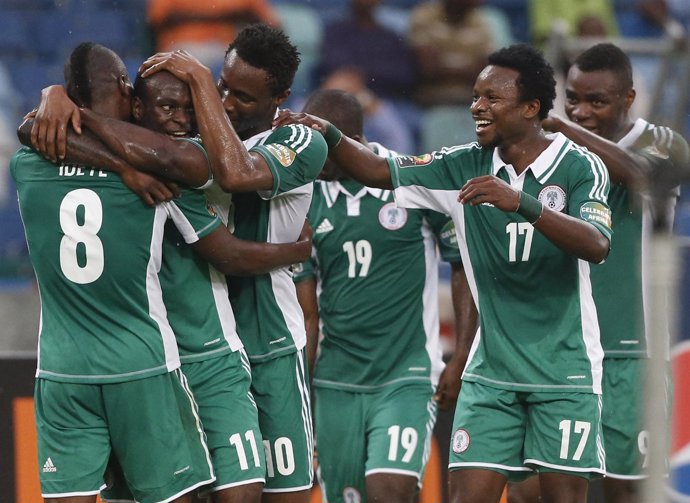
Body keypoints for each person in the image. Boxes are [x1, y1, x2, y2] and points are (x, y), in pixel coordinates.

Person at [274, 43, 613, 503]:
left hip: (565, 370)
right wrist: (328, 134)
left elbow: (596, 244)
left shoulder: (578, 165)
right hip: (490, 373)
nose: (477, 107)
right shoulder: (463, 163)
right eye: (476, 96)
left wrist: (523, 204)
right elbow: (378, 169)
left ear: (531, 107)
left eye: (492, 98)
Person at [31, 25, 327, 502]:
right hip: (169, 357)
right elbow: (39, 132)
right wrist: (54, 97)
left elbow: (234, 174)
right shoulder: (159, 157)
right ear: (137, 106)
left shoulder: (294, 140)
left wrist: (199, 84)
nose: (227, 104)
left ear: (281, 97)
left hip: (261, 342)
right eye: (223, 87)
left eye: (243, 98)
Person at [11, 42, 221, 503]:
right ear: (126, 88)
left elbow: (31, 130)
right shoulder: (160, 166)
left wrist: (51, 96)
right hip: (141, 363)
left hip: (62, 371)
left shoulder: (26, 165)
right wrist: (127, 168)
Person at [291, 88, 477, 503]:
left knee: (388, 490)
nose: (312, 161)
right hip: (335, 379)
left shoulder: (408, 180)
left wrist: (461, 356)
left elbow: (462, 264)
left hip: (405, 375)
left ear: (352, 142)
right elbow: (306, 311)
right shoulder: (305, 198)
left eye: (321, 150)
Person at [524, 42, 688, 503]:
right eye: (572, 99)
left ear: (629, 99)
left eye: (596, 101)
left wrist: (563, 129)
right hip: (568, 353)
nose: (580, 111)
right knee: (529, 491)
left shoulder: (663, 141)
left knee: (627, 491)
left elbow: (640, 176)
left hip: (633, 354)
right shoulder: (556, 156)